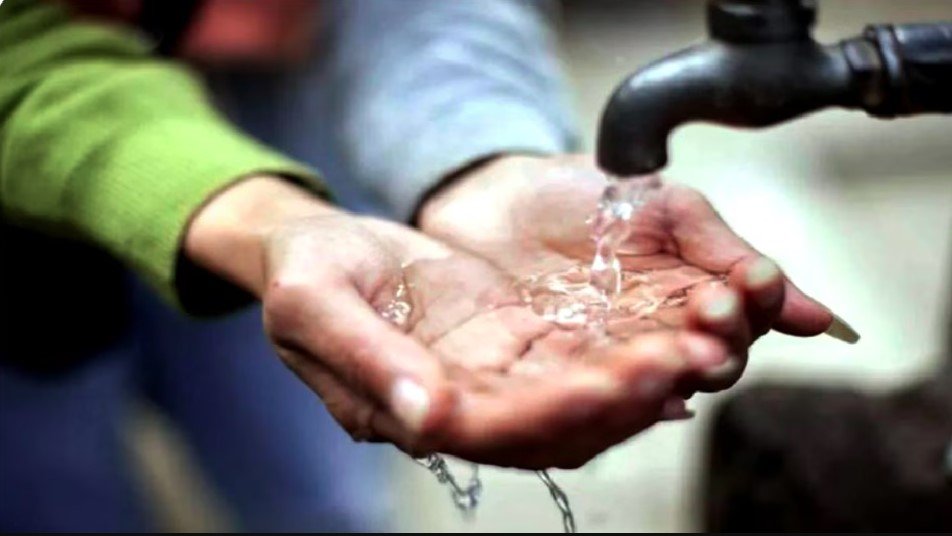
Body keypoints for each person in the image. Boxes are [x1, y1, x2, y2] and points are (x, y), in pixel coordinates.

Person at [0, 0, 850, 531]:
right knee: (55, 491)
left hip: (269, 69)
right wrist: (252, 214)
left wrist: (478, 157)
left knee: (320, 495)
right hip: (33, 132)